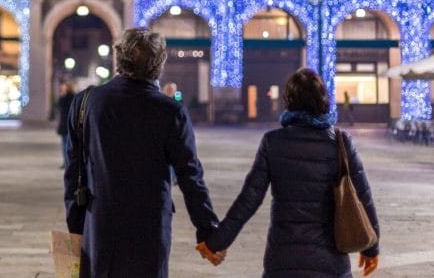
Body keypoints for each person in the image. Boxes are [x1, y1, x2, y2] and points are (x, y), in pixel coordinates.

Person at [64, 28, 219, 277]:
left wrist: (76, 227)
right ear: (158, 64)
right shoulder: (170, 112)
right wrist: (207, 229)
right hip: (150, 228)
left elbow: (74, 172)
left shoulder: (85, 103)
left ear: (118, 59)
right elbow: (190, 176)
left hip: (100, 224)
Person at [202, 68, 380, 277]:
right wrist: (371, 248)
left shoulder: (273, 142)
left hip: (283, 261)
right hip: (331, 262)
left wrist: (216, 242)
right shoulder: (341, 142)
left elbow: (249, 199)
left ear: (290, 101)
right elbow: (363, 197)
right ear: (324, 100)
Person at [55, 82, 75, 169]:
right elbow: (58, 106)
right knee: (64, 145)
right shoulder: (63, 97)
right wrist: (62, 96)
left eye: (64, 86)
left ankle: (69, 162)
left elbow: (68, 108)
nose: (62, 88)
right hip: (63, 124)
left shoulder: (71, 97)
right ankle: (65, 162)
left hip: (69, 123)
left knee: (68, 145)